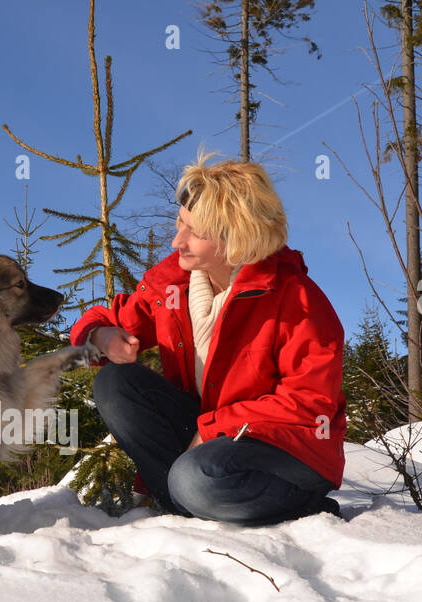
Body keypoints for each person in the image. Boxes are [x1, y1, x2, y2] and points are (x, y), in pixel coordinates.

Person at [69, 153, 347, 526]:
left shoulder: (297, 300)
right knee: (115, 383)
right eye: (180, 222)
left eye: (194, 233)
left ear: (236, 239)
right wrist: (101, 336)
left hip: (287, 449)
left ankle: (299, 506)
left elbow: (309, 405)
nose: (175, 241)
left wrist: (215, 426)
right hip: (211, 440)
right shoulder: (172, 285)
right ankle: (180, 505)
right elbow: (106, 319)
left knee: (196, 480)